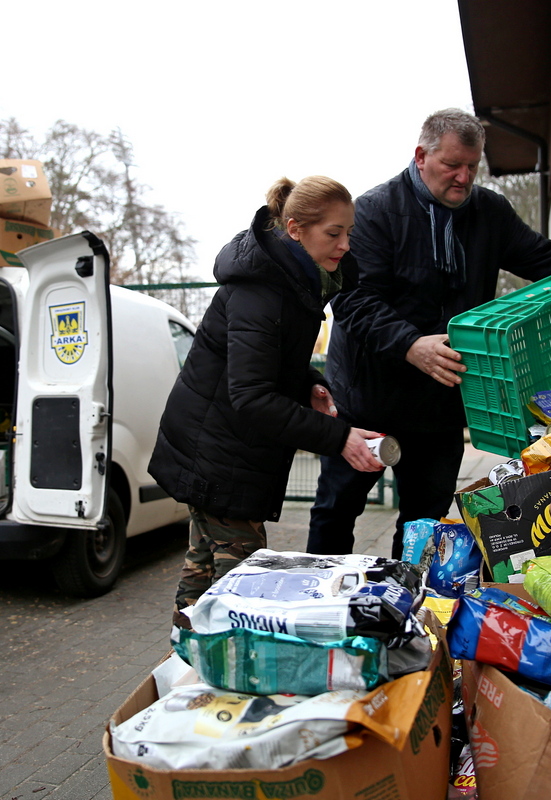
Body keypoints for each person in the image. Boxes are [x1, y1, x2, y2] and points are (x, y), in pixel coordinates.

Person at [309, 108, 551, 560]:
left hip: (440, 400)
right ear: (421, 156)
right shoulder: (373, 213)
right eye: (452, 165)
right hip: (366, 399)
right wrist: (410, 344)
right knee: (337, 508)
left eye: (472, 166)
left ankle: (406, 605)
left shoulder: (489, 212)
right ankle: (316, 602)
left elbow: (544, 257)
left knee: (424, 519)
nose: (464, 177)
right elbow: (352, 301)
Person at [148, 176, 384, 628]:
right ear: (295, 229)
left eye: (348, 233)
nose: (345, 245)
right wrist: (341, 439)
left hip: (224, 451)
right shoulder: (263, 291)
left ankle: (183, 663)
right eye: (333, 233)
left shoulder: (294, 282)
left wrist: (309, 384)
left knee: (203, 573)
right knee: (242, 593)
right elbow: (252, 397)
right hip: (219, 456)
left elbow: (271, 366)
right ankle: (211, 671)